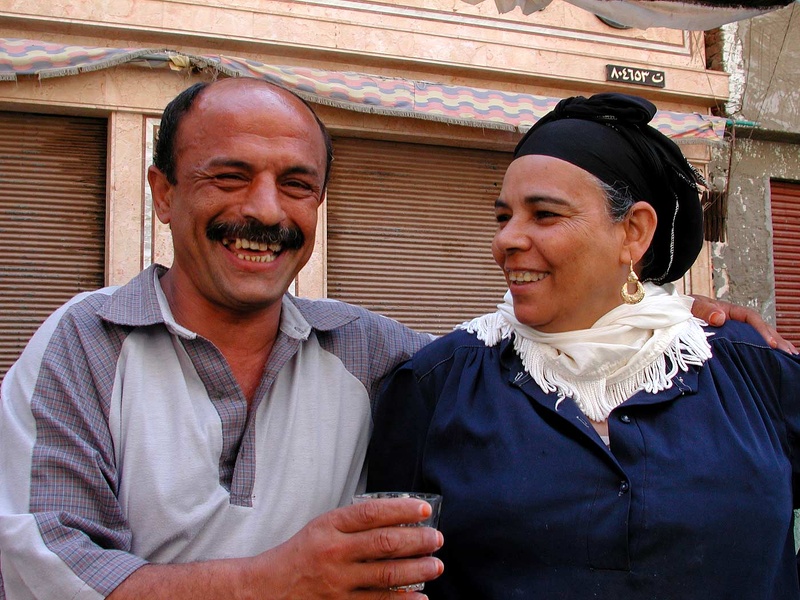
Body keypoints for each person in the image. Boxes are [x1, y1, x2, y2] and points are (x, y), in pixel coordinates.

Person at [0, 80, 789, 600]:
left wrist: (673, 313)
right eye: (228, 176)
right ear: (164, 193)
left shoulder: (365, 351)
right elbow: (41, 568)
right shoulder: (86, 345)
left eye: (298, 185)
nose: (266, 211)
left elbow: (545, 347)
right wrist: (276, 579)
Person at [366, 93, 800, 599]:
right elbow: (391, 575)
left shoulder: (749, 369)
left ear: (633, 232)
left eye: (544, 215)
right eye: (503, 216)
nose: (507, 239)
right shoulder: (436, 385)